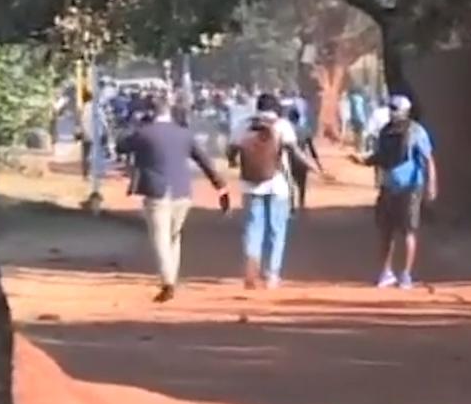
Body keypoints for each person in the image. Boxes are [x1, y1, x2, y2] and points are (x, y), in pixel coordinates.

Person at [115, 90, 229, 302]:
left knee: (160, 238)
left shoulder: (144, 133)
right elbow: (205, 161)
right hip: (182, 193)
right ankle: (172, 279)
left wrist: (134, 123)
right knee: (174, 237)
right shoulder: (184, 134)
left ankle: (168, 282)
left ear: (149, 112)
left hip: (155, 192)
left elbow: (120, 145)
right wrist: (220, 187)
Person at [227, 95, 323, 289]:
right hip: (278, 184)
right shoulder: (282, 125)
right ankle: (272, 275)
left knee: (253, 228)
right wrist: (314, 168)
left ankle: (252, 269)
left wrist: (233, 161)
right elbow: (295, 152)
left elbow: (230, 152)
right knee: (276, 230)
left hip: (250, 184)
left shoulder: (242, 125)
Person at [359, 94, 435, 288]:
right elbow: (381, 157)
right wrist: (364, 161)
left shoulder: (416, 132)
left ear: (404, 111)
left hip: (411, 187)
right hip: (388, 186)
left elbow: (428, 160)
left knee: (409, 230)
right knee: (386, 232)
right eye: (390, 107)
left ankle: (406, 275)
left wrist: (431, 184)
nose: (391, 111)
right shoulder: (386, 131)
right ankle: (385, 272)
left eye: (394, 108)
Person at [282, 103, 321, 214]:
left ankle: (291, 206)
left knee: (289, 183)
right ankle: (302, 203)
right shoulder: (305, 130)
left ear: (289, 117)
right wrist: (317, 163)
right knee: (302, 184)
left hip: (289, 159)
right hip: (303, 160)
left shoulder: (287, 130)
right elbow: (312, 149)